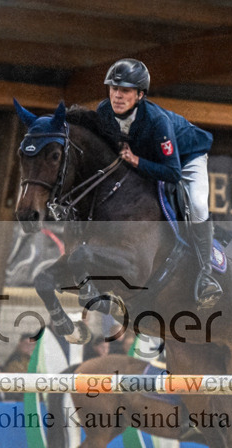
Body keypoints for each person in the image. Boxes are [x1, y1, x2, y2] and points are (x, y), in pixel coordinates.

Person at [96, 58, 220, 310]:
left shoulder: (157, 121)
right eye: (114, 89)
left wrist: (136, 160)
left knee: (196, 204)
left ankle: (206, 274)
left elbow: (172, 172)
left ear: (140, 95)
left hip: (185, 158)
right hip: (149, 156)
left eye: (125, 91)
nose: (117, 96)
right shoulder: (103, 112)